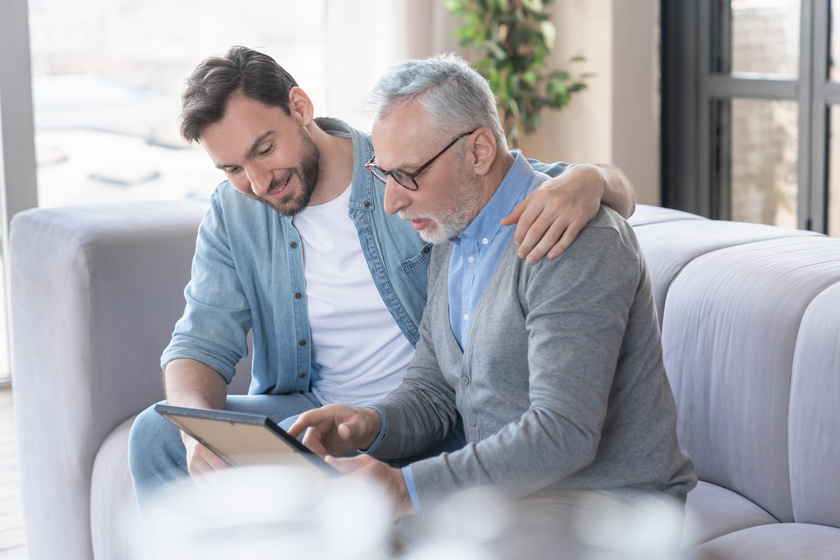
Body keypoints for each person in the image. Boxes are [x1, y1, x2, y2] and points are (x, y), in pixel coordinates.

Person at [127, 46, 637, 510]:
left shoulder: (413, 166)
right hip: (335, 411)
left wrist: (595, 178)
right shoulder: (239, 209)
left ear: (299, 108)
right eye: (233, 169)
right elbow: (198, 341)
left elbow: (514, 179)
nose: (258, 182)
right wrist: (201, 436)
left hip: (438, 420)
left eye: (264, 150)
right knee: (157, 434)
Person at [288, 53, 697, 520]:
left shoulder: (572, 239)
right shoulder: (450, 230)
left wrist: (406, 489)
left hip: (610, 515)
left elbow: (563, 432)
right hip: (511, 506)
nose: (391, 201)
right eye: (383, 174)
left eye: (407, 175)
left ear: (479, 151)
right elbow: (433, 390)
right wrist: (367, 423)